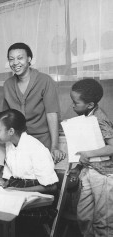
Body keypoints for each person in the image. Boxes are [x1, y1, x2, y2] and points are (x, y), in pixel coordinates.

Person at [3, 42, 65, 163]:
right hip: (17, 142)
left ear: (29, 59)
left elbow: (52, 114)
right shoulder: (7, 84)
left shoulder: (45, 80)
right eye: (11, 59)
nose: (15, 62)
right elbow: (6, 117)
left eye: (20, 58)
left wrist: (54, 147)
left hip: (41, 141)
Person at [67, 79, 113, 236]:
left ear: (90, 105)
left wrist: (88, 154)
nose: (73, 106)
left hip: (104, 176)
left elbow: (112, 146)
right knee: (84, 217)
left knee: (103, 223)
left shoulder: (100, 118)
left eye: (76, 102)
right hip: (89, 171)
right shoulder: (86, 117)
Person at [0, 109, 58, 192]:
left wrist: (17, 191)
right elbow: (9, 178)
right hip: (17, 190)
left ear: (11, 131)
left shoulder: (35, 148)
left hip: (37, 194)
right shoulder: (9, 145)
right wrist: (4, 183)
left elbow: (52, 187)